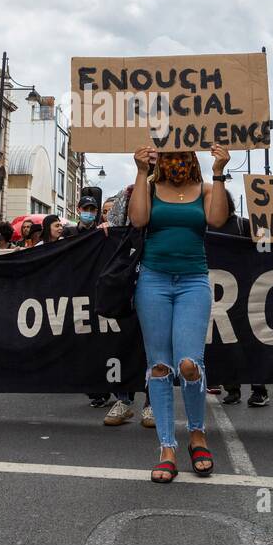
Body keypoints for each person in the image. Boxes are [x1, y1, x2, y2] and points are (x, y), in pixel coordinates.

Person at [129, 144, 231, 482]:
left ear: (193, 160)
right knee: (159, 367)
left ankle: (197, 434)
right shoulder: (150, 187)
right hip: (153, 281)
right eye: (170, 158)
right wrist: (142, 172)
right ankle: (167, 447)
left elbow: (217, 219)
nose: (177, 164)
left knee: (189, 363)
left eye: (183, 157)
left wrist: (218, 171)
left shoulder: (206, 189)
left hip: (193, 282)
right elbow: (138, 219)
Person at [99, 183, 155, 428]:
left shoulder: (176, 189)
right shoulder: (128, 192)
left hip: (158, 272)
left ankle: (152, 402)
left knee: (154, 343)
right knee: (124, 340)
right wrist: (105, 227)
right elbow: (115, 222)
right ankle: (123, 399)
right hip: (129, 276)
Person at [212, 189, 269, 408]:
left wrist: (265, 220)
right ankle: (232, 389)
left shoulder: (242, 225)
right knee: (225, 344)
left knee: (250, 342)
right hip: (218, 296)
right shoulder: (205, 226)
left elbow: (266, 242)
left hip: (245, 291)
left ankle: (259, 389)